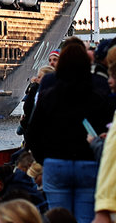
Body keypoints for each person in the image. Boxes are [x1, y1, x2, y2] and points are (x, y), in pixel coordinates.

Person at [25, 40, 114, 222]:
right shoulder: (98, 90)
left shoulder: (49, 94)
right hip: (88, 164)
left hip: (56, 163)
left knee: (58, 217)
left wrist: (45, 158)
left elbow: (32, 132)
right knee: (86, 218)